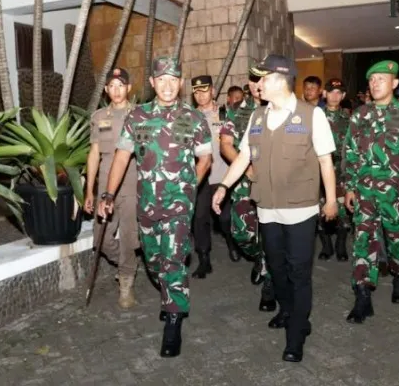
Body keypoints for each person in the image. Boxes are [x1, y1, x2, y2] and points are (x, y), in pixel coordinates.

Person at [212, 54, 338, 362]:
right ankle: (287, 309)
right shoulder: (257, 117)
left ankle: (297, 333)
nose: (257, 85)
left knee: (299, 271)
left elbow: (325, 160)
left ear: (279, 80)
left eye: (261, 79)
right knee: (277, 269)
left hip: (301, 210)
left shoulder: (312, 115)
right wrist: (224, 186)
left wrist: (332, 200)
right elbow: (243, 157)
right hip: (267, 209)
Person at [98, 57, 212, 357]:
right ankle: (168, 293)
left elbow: (205, 159)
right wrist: (108, 194)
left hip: (179, 206)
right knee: (153, 260)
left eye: (173, 79)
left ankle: (173, 320)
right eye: (162, 79)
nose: (167, 85)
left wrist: (190, 189)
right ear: (152, 83)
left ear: (181, 83)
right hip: (146, 203)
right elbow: (122, 157)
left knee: (174, 259)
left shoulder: (194, 118)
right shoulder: (137, 116)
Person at [343, 60, 399, 324]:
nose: (375, 83)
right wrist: (349, 187)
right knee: (363, 243)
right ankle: (362, 297)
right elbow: (350, 153)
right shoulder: (360, 115)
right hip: (365, 193)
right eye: (371, 80)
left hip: (398, 193)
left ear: (394, 83)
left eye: (381, 78)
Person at [220, 70, 276, 312]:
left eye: (260, 80)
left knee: (273, 235)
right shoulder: (236, 112)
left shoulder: (279, 110)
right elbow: (225, 145)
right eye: (252, 80)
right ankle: (259, 256)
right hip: (244, 181)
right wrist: (247, 169)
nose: (256, 85)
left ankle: (270, 288)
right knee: (242, 233)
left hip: (274, 183)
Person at [84, 67, 139, 309]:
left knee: (128, 236)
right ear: (106, 90)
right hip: (105, 180)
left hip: (132, 182)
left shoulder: (139, 115)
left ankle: (126, 285)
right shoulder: (98, 117)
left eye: (121, 85)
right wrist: (89, 191)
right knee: (101, 239)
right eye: (112, 86)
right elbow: (94, 154)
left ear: (128, 88)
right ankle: (128, 265)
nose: (116, 90)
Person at [191, 75, 239, 278]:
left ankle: (231, 240)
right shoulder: (189, 117)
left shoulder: (226, 113)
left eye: (204, 90)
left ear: (212, 90)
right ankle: (204, 259)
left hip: (223, 175)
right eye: (197, 92)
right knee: (200, 218)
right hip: (201, 177)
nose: (201, 95)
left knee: (226, 217)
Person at [317, 78, 351, 262]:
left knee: (343, 213)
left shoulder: (349, 119)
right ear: (324, 94)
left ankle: (340, 245)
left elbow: (354, 148)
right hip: (319, 171)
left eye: (339, 92)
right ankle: (327, 247)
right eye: (331, 91)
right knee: (320, 210)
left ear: (344, 96)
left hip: (341, 171)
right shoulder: (315, 116)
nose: (335, 95)